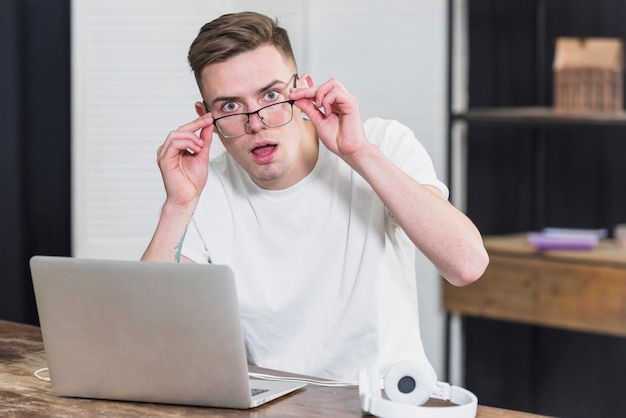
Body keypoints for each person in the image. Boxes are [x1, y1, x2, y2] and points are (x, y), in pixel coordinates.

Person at [142, 11, 488, 382]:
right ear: (204, 117)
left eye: (270, 95)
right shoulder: (202, 190)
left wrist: (358, 153)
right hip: (269, 404)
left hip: (384, 401)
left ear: (302, 89)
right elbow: (147, 331)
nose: (255, 123)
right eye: (230, 106)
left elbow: (466, 265)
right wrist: (177, 206)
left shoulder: (382, 145)